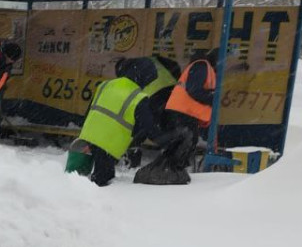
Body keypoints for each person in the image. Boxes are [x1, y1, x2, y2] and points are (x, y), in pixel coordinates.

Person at [73, 56, 164, 187]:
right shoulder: (138, 97)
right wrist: (169, 140)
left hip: (88, 136)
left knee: (79, 177)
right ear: (144, 77)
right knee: (101, 182)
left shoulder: (106, 85)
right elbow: (150, 129)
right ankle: (81, 203)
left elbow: (90, 112)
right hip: (108, 144)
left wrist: (90, 139)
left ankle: (73, 195)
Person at [137, 48, 219, 183]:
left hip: (183, 112)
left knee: (182, 144)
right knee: (184, 144)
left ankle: (169, 172)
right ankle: (168, 173)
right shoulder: (201, 66)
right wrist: (213, 98)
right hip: (183, 112)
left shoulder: (203, 67)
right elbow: (195, 90)